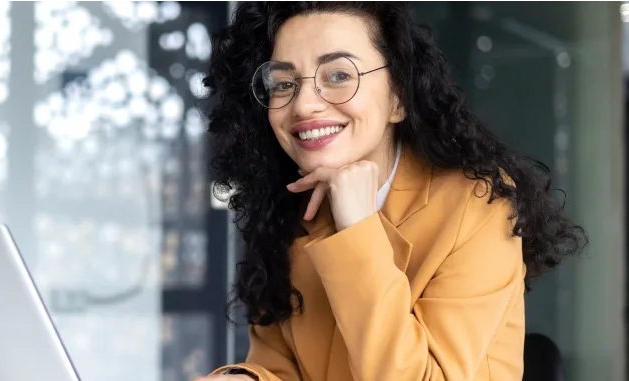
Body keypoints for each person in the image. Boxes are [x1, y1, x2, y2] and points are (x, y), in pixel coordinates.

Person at [196, 1, 586, 380]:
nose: (304, 105)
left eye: (338, 75)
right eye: (283, 83)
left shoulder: (479, 205)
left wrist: (358, 227)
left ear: (398, 96)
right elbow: (282, 367)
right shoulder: (290, 213)